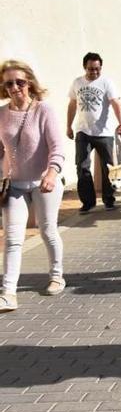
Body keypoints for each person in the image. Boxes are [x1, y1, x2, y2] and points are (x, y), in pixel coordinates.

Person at [0, 60, 65, 312]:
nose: (15, 87)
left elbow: (57, 147)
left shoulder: (43, 110)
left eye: (20, 82)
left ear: (30, 83)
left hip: (44, 182)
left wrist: (52, 172)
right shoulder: (2, 114)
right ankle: (8, 293)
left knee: (47, 230)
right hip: (13, 184)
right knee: (13, 237)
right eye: (9, 83)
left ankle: (57, 275)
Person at [66, 52, 121, 212]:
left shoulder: (106, 82)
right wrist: (68, 126)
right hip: (83, 131)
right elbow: (72, 104)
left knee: (108, 168)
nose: (94, 72)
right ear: (85, 68)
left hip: (104, 132)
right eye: (91, 69)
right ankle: (88, 202)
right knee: (82, 166)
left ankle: (108, 199)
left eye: (97, 69)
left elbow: (115, 103)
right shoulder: (77, 82)